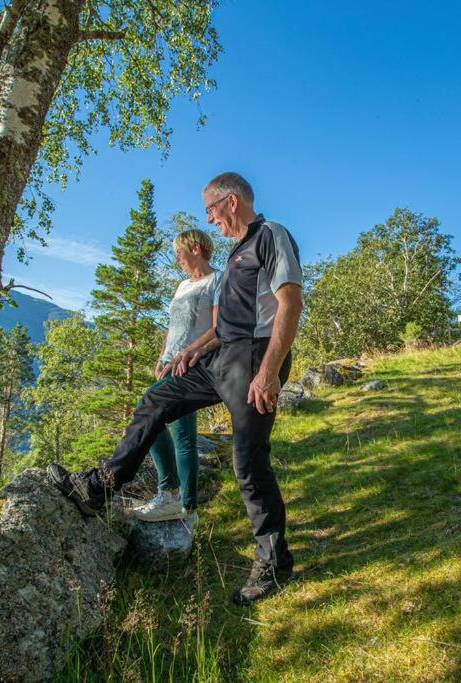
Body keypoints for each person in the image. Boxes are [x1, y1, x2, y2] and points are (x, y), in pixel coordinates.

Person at [48, 171, 303, 605]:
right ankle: (100, 486)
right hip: (222, 357)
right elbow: (225, 326)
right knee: (156, 398)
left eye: (211, 210)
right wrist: (192, 351)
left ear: (231, 201)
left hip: (255, 360)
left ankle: (273, 563)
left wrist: (269, 372)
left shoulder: (270, 235)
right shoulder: (237, 253)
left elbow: (290, 303)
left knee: (248, 462)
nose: (210, 219)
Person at [131, 229, 222, 524]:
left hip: (191, 364)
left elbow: (220, 327)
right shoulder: (182, 286)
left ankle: (176, 499)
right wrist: (162, 358)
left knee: (174, 431)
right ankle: (182, 504)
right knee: (155, 421)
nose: (177, 259)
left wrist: (189, 353)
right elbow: (173, 326)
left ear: (195, 248)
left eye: (179, 252)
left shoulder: (218, 280)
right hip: (169, 364)